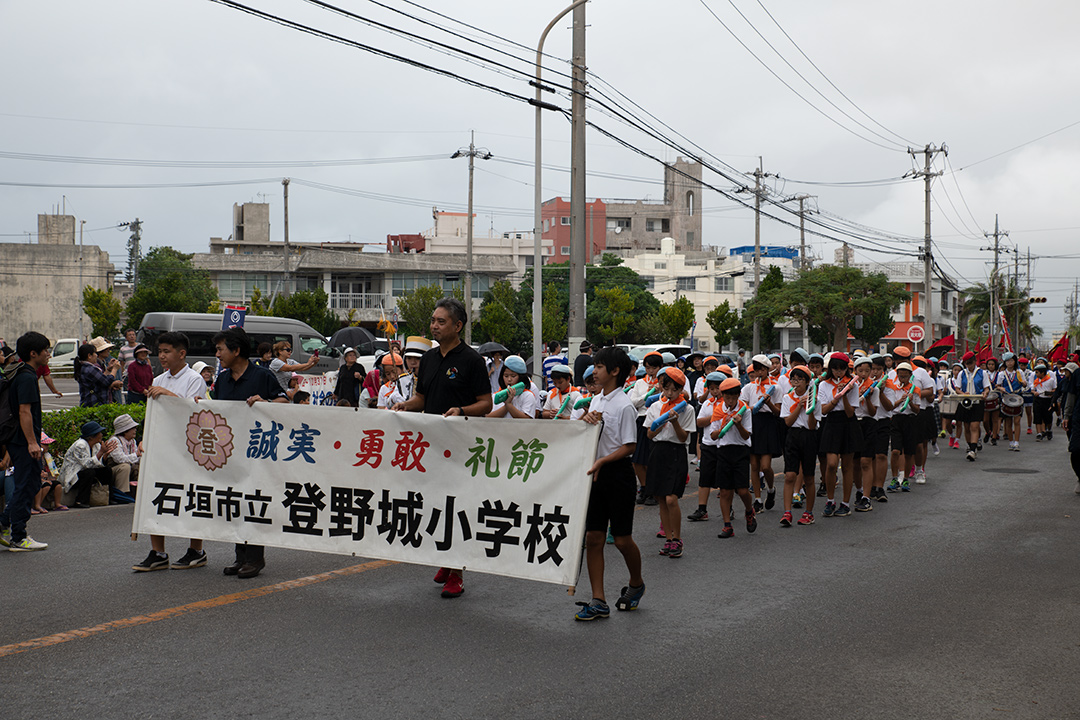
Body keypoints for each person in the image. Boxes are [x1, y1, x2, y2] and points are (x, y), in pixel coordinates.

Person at [391, 297, 492, 599]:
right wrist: (405, 406)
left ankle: (457, 572)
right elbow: (421, 398)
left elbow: (486, 404)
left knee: (455, 506)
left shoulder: (472, 361)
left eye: (441, 321)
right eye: (433, 321)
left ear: (458, 326)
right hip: (431, 445)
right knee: (434, 503)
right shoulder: (430, 359)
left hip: (460, 446)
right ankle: (446, 560)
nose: (434, 326)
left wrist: (461, 411)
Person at [574, 346, 645, 620]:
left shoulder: (624, 404)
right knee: (593, 538)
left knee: (623, 540)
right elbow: (587, 432)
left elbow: (629, 446)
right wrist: (585, 419)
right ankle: (598, 600)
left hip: (617, 475)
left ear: (615, 371)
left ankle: (637, 583)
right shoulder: (596, 401)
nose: (594, 371)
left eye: (599, 366)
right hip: (596, 474)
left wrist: (604, 461)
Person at [133, 331, 213, 571]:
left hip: (186, 449)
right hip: (161, 445)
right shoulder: (158, 380)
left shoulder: (194, 379)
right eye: (160, 351)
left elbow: (194, 412)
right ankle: (158, 552)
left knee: (191, 495)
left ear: (182, 353)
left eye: (167, 351)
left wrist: (168, 394)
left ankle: (196, 550)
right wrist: (143, 438)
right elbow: (153, 413)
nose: (162, 356)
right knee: (156, 495)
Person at [212, 328, 289, 578]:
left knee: (253, 501)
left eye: (221, 349)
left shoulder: (262, 376)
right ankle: (240, 556)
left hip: (258, 453)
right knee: (235, 502)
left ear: (236, 350)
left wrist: (266, 404)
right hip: (231, 453)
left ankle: (255, 558)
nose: (217, 354)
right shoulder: (222, 379)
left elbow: (285, 403)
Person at [0, 332, 51, 551]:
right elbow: (24, 411)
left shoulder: (19, 372)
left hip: (18, 440)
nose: (48, 354)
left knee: (28, 484)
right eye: (45, 350)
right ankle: (18, 536)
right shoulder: (27, 377)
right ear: (33, 353)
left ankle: (4, 525)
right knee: (26, 485)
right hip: (23, 441)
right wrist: (32, 442)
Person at [643, 367, 694, 558]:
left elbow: (683, 438)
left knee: (672, 497)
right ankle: (668, 538)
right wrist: (660, 423)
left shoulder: (687, 409)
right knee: (660, 498)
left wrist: (674, 422)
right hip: (658, 451)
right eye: (667, 389)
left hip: (676, 452)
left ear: (681, 390)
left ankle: (677, 538)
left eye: (675, 390)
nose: (671, 394)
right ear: (662, 388)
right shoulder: (656, 407)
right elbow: (649, 434)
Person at [708, 377, 756, 538]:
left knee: (742, 490)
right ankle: (727, 525)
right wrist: (723, 424)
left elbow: (746, 435)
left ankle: (749, 511)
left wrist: (738, 424)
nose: (730, 401)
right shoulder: (718, 410)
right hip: (723, 451)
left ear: (738, 395)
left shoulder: (745, 410)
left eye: (733, 397)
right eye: (727, 397)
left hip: (740, 451)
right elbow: (714, 436)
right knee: (725, 491)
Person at [817, 353, 861, 517]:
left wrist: (846, 395)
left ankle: (845, 503)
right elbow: (823, 410)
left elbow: (850, 413)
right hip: (831, 423)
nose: (839, 372)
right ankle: (830, 500)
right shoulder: (824, 385)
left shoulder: (853, 385)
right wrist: (837, 398)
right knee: (831, 464)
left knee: (847, 466)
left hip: (848, 423)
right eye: (835, 368)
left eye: (842, 368)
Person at [779, 365, 821, 526]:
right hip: (793, 436)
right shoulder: (788, 398)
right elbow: (788, 422)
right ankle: (787, 512)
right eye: (793, 379)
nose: (796, 382)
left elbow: (812, 425)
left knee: (809, 477)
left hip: (809, 436)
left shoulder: (814, 398)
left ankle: (809, 513)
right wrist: (799, 405)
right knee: (790, 475)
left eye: (800, 379)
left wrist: (810, 406)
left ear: (807, 382)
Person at [741, 354, 782, 513]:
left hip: (768, 424)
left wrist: (768, 402)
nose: (759, 372)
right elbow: (743, 407)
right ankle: (757, 499)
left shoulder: (776, 387)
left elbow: (778, 412)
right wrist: (750, 409)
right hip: (753, 423)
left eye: (762, 369)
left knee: (765, 466)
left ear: (767, 369)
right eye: (756, 369)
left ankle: (771, 490)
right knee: (754, 465)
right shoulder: (748, 387)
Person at [629, 351, 663, 505]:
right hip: (641, 419)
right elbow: (633, 402)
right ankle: (643, 487)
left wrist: (659, 391)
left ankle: (652, 490)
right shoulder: (639, 383)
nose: (650, 371)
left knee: (651, 459)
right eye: (648, 368)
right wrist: (648, 395)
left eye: (654, 368)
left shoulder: (664, 383)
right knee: (637, 459)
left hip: (656, 420)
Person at [58, 421, 117, 509]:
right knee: (89, 472)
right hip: (72, 476)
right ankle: (80, 500)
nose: (101, 435)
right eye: (99, 433)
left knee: (107, 470)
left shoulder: (96, 445)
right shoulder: (80, 445)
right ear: (92, 436)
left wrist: (105, 455)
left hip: (84, 473)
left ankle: (108, 497)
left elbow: (98, 464)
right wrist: (101, 452)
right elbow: (87, 464)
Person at [886, 362, 922, 490]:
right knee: (895, 451)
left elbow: (917, 410)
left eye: (905, 376)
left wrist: (910, 402)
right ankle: (894, 478)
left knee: (908, 452)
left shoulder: (915, 390)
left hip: (910, 421)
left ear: (910, 376)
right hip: (896, 419)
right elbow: (890, 407)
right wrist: (901, 400)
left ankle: (905, 479)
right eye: (900, 376)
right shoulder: (893, 388)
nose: (903, 379)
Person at [953, 351, 989, 461]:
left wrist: (985, 393)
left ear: (975, 361)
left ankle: (973, 449)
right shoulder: (962, 373)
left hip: (977, 402)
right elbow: (957, 389)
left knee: (974, 425)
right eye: (966, 363)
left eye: (970, 363)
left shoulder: (982, 373)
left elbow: (986, 387)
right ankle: (969, 445)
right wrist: (963, 394)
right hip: (965, 402)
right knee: (966, 426)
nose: (969, 365)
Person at [106, 413, 141, 496]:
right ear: (125, 430)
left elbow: (137, 457)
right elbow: (120, 459)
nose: (135, 430)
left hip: (129, 467)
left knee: (140, 466)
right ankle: (122, 493)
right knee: (124, 467)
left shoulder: (133, 441)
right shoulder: (114, 440)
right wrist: (136, 455)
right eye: (133, 428)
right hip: (114, 470)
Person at [997, 352, 1026, 452]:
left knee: (1017, 421)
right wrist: (1001, 388)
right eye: (1008, 361)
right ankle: (1010, 441)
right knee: (1008, 421)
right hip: (1007, 398)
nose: (1010, 363)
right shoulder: (1002, 374)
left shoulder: (1019, 372)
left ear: (1015, 361)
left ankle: (1017, 442)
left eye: (1012, 361)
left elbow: (1025, 384)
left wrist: (1023, 383)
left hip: (1018, 397)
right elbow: (997, 385)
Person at [1032, 362, 1057, 441]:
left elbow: (1055, 389)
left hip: (1047, 400)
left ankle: (1049, 430)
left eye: (1037, 372)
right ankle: (1039, 433)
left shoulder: (1051, 380)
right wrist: (1034, 392)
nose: (1036, 374)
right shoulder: (1036, 381)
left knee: (1048, 417)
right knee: (1037, 416)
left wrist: (1050, 393)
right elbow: (1032, 389)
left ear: (1042, 373)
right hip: (1038, 399)